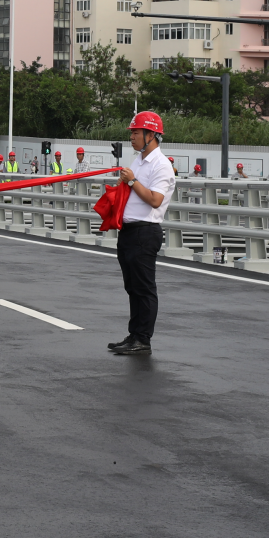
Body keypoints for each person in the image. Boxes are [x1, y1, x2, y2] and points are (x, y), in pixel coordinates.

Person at [108, 111, 175, 358]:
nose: (132, 137)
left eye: (136, 133)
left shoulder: (161, 165)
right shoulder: (138, 160)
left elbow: (155, 200)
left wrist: (132, 181)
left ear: (151, 135)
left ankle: (143, 339)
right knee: (132, 287)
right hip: (129, 231)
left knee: (144, 287)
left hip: (145, 231)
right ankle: (134, 335)